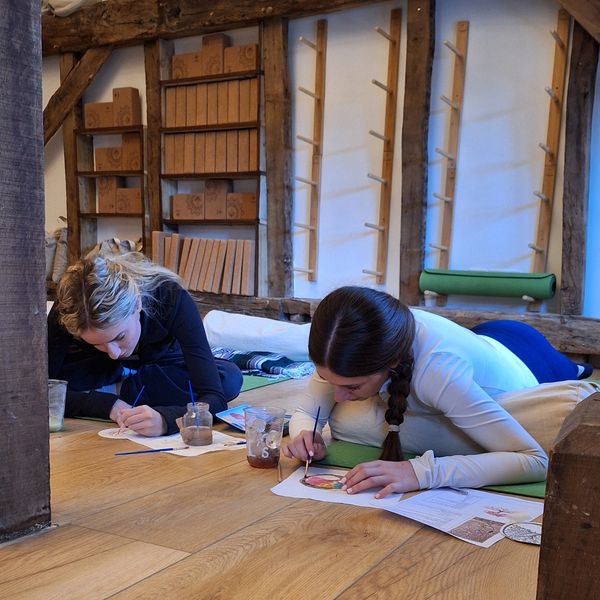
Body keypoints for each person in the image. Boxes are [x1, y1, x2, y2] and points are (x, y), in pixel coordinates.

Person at [283, 286, 594, 497]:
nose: (338, 397)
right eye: (329, 381)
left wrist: (421, 472)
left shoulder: (438, 372)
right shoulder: (343, 345)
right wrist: (303, 434)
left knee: (573, 369)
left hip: (526, 354)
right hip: (474, 341)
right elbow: (307, 411)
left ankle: (576, 368)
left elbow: (534, 460)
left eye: (352, 387)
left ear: (391, 362)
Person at [48, 251, 243, 436]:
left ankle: (113, 387)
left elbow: (214, 397)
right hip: (92, 370)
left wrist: (167, 420)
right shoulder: (70, 310)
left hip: (159, 368)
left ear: (137, 304)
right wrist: (106, 405)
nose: (113, 353)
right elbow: (40, 392)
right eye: (97, 344)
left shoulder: (170, 296)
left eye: (119, 337)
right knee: (53, 387)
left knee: (228, 378)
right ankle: (113, 389)